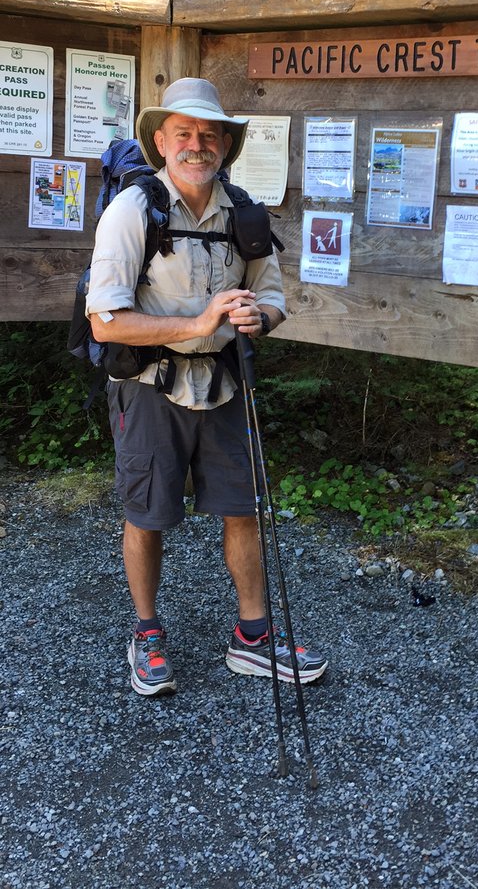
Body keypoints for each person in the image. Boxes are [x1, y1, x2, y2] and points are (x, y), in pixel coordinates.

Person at [86, 77, 327, 696]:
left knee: (243, 509)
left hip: (224, 385)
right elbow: (104, 317)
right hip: (149, 385)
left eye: (210, 134)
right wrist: (196, 322)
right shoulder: (134, 210)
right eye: (185, 133)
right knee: (147, 513)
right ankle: (145, 632)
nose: (199, 145)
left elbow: (273, 298)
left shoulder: (244, 212)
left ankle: (253, 638)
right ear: (161, 142)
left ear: (225, 144)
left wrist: (259, 318)